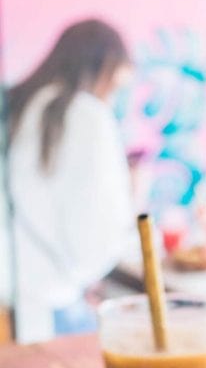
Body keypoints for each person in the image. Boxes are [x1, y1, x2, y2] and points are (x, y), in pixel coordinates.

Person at [4, 18, 135, 342]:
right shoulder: (86, 116)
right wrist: (134, 189)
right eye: (114, 85)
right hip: (45, 303)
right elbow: (100, 238)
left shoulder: (15, 104)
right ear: (101, 70)